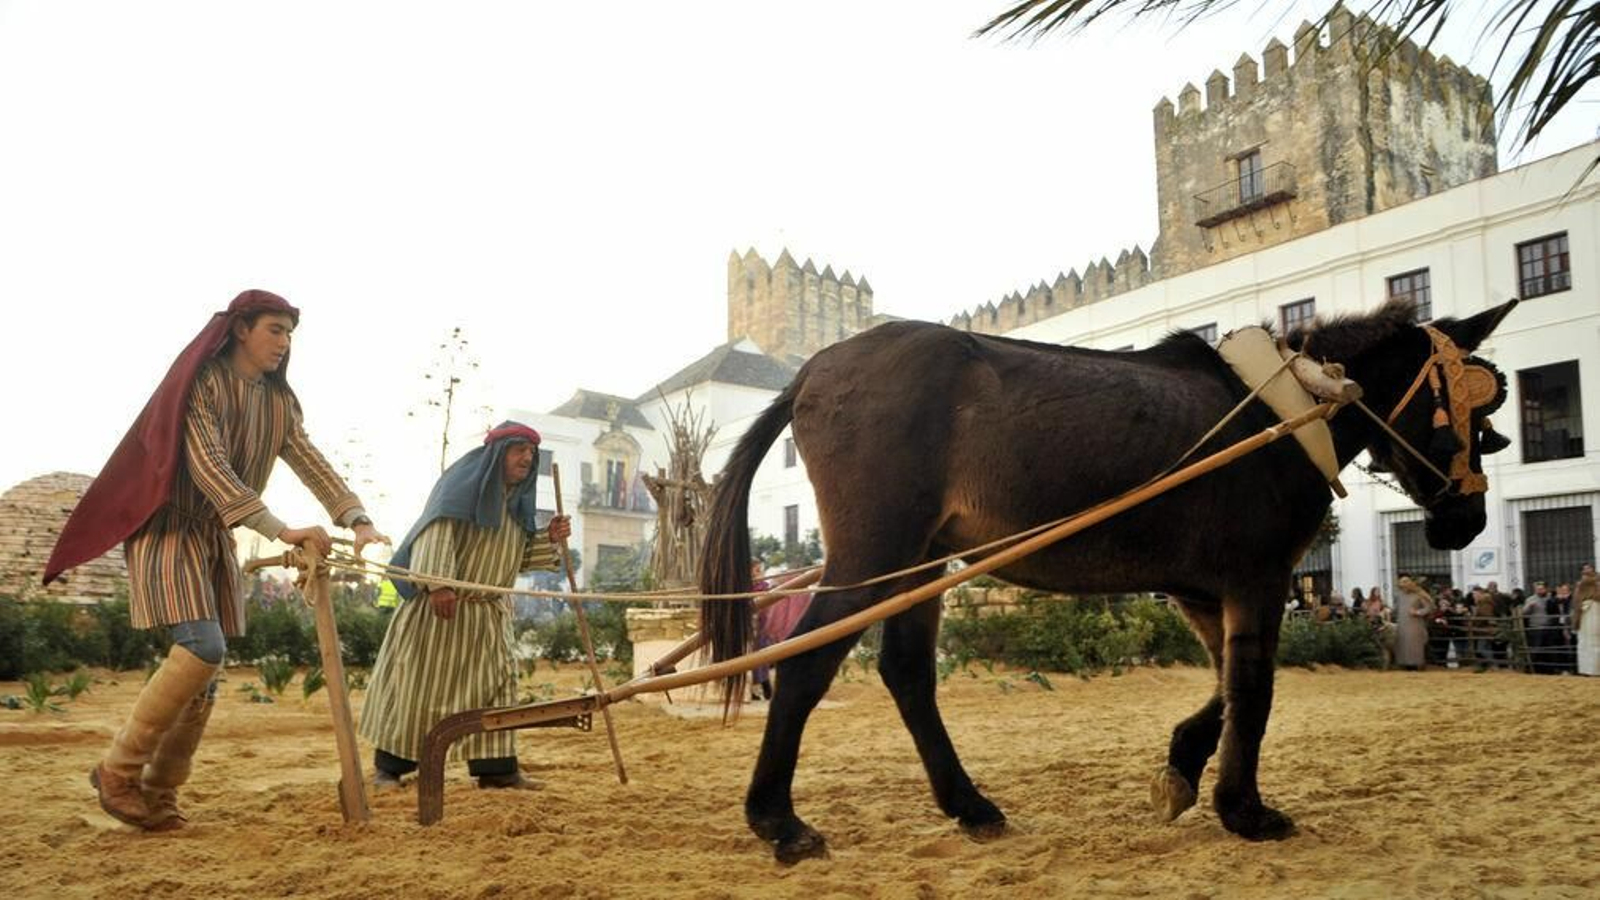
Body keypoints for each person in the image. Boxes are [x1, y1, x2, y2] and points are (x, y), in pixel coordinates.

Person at [43, 290, 386, 830]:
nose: (284, 342)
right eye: (275, 328)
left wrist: (357, 519)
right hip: (171, 527)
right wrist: (281, 529)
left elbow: (309, 460)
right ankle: (117, 770)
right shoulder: (201, 385)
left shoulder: (277, 402)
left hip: (215, 536)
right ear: (242, 329)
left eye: (290, 333)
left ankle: (158, 793)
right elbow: (210, 468)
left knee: (206, 674)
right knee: (202, 645)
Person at [359, 422, 570, 791]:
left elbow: (516, 559)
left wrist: (548, 538)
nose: (527, 457)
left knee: (497, 690)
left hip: (486, 617)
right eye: (519, 449)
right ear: (496, 454)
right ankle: (389, 769)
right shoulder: (458, 492)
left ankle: (497, 770)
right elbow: (435, 532)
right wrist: (439, 583)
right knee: (419, 689)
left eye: (531, 453)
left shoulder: (515, 507)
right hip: (441, 614)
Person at [749, 562, 776, 701]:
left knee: (763, 657)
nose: (760, 573)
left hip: (764, 626)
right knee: (754, 659)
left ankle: (766, 688)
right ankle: (760, 689)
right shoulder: (749, 588)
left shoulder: (765, 587)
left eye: (761, 570)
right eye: (757, 570)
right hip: (752, 627)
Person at [1394, 576, 1431, 670]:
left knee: (1414, 645)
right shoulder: (1399, 595)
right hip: (1402, 623)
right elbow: (1397, 608)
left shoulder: (1419, 594)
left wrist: (1417, 612)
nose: (1403, 586)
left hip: (1415, 624)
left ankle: (1416, 665)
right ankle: (1404, 665)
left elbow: (1428, 608)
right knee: (1402, 644)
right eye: (1401, 583)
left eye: (1405, 583)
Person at [1575, 564, 1599, 676]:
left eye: (1589, 568)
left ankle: (1595, 669)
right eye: (1585, 569)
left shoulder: (1596, 582)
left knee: (1595, 640)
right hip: (1584, 613)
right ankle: (1587, 669)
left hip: (1595, 610)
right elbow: (1576, 602)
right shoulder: (1580, 585)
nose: (1587, 570)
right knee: (1585, 641)